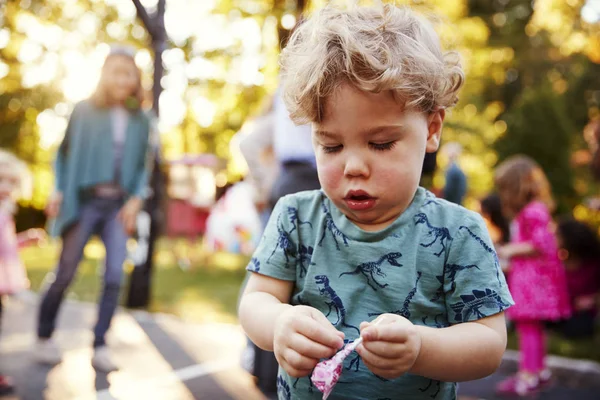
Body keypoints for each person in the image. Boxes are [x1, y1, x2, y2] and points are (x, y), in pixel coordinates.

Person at [238, 4, 514, 399]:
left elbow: (488, 344)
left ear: (432, 129)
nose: (353, 166)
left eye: (380, 144)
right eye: (330, 145)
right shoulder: (296, 217)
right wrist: (280, 323)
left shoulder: (459, 232)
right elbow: (256, 301)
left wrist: (421, 347)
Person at [38, 45, 153, 373]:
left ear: (135, 79)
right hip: (84, 201)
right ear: (103, 75)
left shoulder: (142, 119)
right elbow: (62, 153)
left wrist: (136, 198)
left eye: (128, 72)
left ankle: (100, 344)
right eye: (115, 71)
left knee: (115, 274)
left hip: (117, 207)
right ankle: (44, 335)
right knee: (65, 271)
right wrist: (58, 188)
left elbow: (144, 166)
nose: (122, 77)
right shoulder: (84, 110)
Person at [494, 155, 571, 395]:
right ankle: (537, 372)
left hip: (533, 282)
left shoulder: (533, 211)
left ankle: (528, 376)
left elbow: (540, 244)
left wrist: (507, 249)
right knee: (532, 328)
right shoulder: (534, 210)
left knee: (528, 327)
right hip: (529, 278)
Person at [0, 150, 45, 396]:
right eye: (0, 180)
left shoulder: (5, 212)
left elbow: (6, 248)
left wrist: (26, 239)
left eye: (12, 182)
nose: (6, 187)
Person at [554, 218, 600, 338]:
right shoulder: (558, 261)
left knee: (576, 328)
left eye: (558, 236)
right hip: (560, 310)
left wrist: (592, 299)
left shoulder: (594, 263)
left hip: (582, 313)